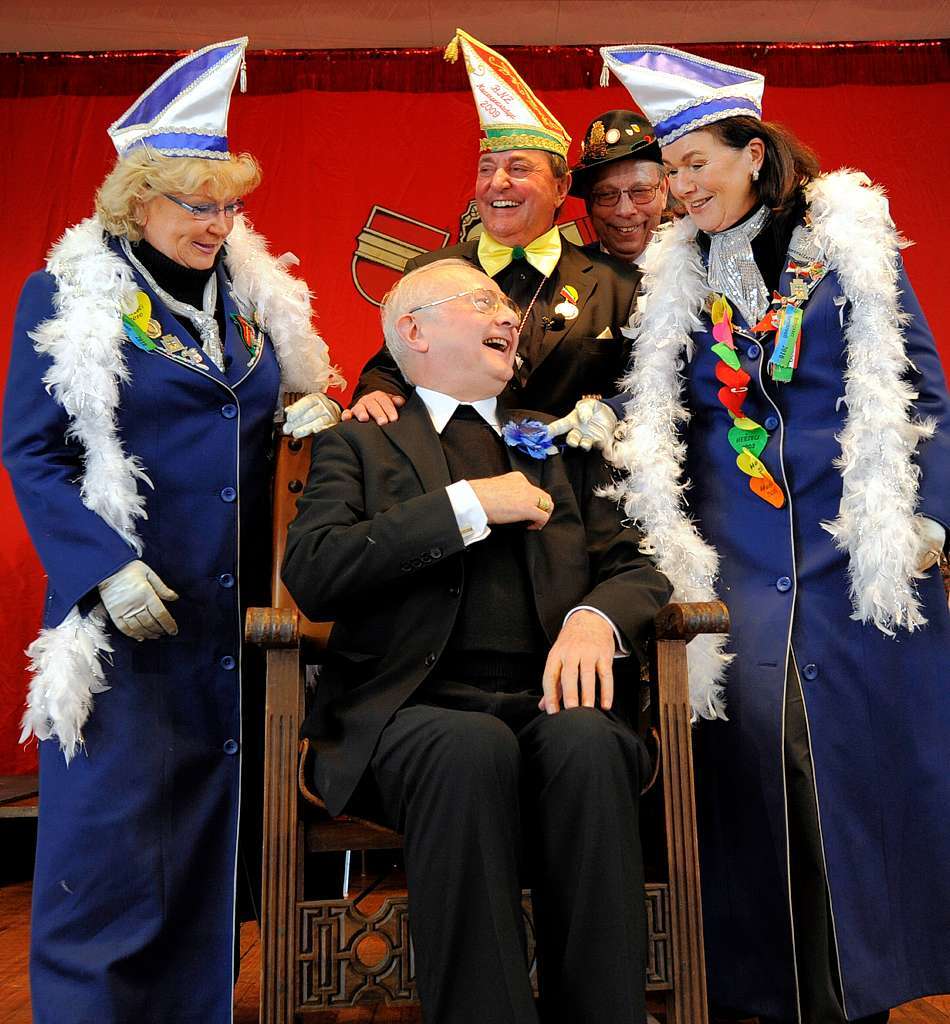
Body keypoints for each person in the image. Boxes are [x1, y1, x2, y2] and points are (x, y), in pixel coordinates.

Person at [564, 43, 949, 1024]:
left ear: (752, 154)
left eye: (696, 164)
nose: (677, 188)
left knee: (863, 779)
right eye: (669, 170)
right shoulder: (674, 278)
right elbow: (655, 415)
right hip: (733, 564)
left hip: (852, 550)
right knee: (753, 783)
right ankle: (764, 996)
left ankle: (868, 987)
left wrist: (929, 514)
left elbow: (924, 395)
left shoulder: (843, 243)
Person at [2, 38, 343, 1023]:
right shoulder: (68, 296)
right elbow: (33, 453)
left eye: (229, 204)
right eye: (196, 204)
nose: (219, 222)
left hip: (227, 617)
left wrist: (306, 413)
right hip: (127, 620)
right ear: (133, 201)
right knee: (111, 853)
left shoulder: (247, 296)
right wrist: (104, 570)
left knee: (203, 843)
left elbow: (255, 410)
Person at [282, 257, 672, 1024]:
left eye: (507, 305)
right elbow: (316, 571)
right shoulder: (356, 444)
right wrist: (467, 505)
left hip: (545, 700)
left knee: (594, 745)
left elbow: (638, 564)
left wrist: (595, 618)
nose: (509, 315)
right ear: (413, 334)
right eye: (483, 301)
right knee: (468, 748)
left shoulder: (554, 440)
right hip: (408, 709)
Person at [349, 29, 638, 425]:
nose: (497, 182)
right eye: (487, 169)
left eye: (518, 168)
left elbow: (643, 393)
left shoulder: (618, 286)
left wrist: (609, 414)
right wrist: (376, 393)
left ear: (561, 187)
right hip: (458, 479)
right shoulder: (429, 272)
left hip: (571, 479)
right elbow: (391, 367)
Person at [570, 109, 669, 266]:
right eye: (607, 194)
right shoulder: (564, 278)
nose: (625, 210)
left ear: (663, 191)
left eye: (640, 191)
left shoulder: (708, 268)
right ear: (589, 204)